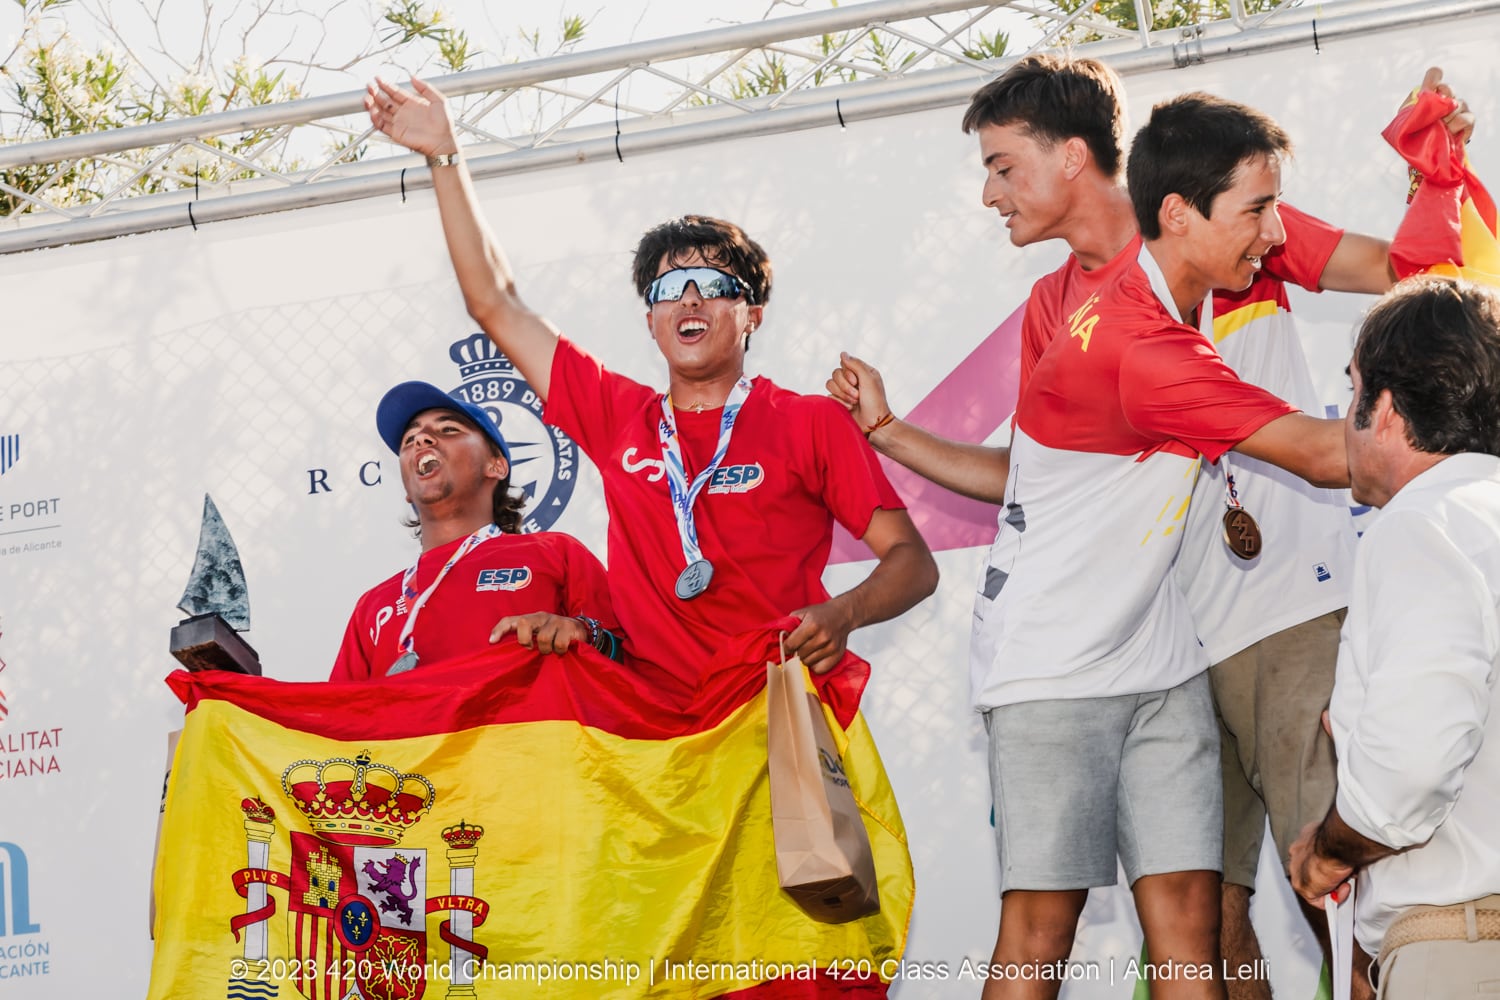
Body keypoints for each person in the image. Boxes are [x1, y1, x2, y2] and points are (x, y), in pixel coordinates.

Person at [831, 58, 1469, 1000]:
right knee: (1085, 928)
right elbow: (1320, 454)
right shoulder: (1112, 321)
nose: (989, 192)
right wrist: (1467, 418)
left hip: (1225, 631)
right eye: (1259, 213)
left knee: (1256, 904)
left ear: (1078, 158)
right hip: (1091, 651)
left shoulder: (1223, 226)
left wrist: (1438, 177)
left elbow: (1414, 275)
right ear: (1181, 215)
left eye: (1004, 166)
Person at [361, 77, 937, 709]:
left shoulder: (809, 422)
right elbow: (494, 301)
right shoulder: (617, 416)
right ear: (651, 322)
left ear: (753, 315)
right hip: (652, 729)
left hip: (774, 704)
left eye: (710, 283)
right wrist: (447, 155)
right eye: (667, 288)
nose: (687, 298)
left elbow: (912, 562)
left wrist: (843, 613)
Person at [1288, 276, 1500, 997]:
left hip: (1467, 944)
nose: (1344, 416)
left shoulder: (1423, 524)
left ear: (1384, 409)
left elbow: (1411, 769)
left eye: (1352, 392)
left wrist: (1329, 850)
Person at [329, 380, 621, 681]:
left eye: (448, 430)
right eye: (410, 439)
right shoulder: (372, 606)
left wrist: (585, 634)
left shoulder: (556, 553)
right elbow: (340, 720)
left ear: (496, 466)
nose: (421, 440)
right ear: (406, 489)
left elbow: (633, 667)